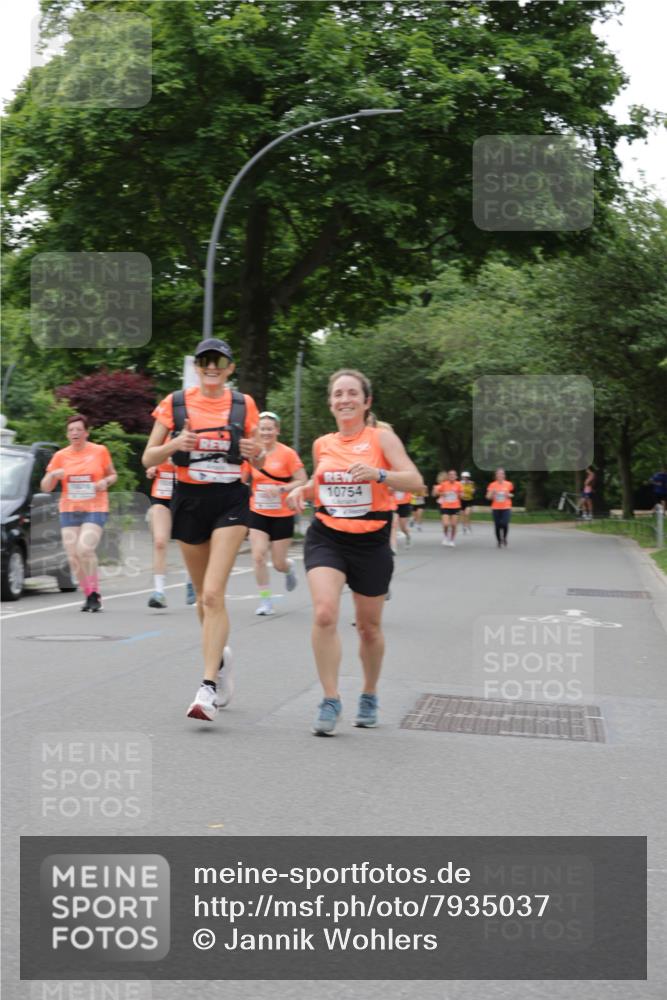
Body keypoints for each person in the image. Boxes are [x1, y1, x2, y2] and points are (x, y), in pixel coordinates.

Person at [287, 369, 423, 736]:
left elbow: (416, 482)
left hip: (372, 541)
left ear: (366, 402)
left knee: (369, 628)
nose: (344, 399)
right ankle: (330, 699)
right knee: (325, 613)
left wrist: (379, 474)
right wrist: (303, 490)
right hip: (327, 536)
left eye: (351, 393)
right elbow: (323, 483)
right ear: (330, 403)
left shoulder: (382, 438)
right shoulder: (322, 444)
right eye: (337, 394)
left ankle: (369, 692)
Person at [142, 338, 262, 722]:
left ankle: (206, 688)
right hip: (189, 501)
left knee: (212, 593)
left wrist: (253, 450)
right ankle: (221, 661)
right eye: (206, 361)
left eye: (220, 361)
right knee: (202, 601)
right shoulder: (175, 403)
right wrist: (176, 442)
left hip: (230, 500)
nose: (212, 367)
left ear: (229, 368)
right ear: (197, 367)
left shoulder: (243, 405)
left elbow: (259, 449)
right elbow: (148, 456)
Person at [40, 414, 117, 612]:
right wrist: (53, 475)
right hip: (69, 509)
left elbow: (113, 474)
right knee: (73, 555)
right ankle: (89, 593)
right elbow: (46, 488)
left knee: (84, 549)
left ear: (86, 432)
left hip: (95, 506)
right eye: (71, 430)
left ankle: (94, 593)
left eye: (78, 430)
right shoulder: (60, 456)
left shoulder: (99, 451)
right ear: (67, 434)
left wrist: (104, 482)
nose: (75, 433)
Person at [247, 410, 307, 616]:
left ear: (277, 431)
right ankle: (266, 602)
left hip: (282, 514)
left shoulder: (287, 454)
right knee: (258, 556)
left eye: (269, 429)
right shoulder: (252, 454)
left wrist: (282, 489)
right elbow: (241, 478)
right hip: (258, 512)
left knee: (278, 563)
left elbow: (302, 479)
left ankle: (288, 568)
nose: (265, 432)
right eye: (262, 429)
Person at [486, 468, 514, 547]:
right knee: (497, 525)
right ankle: (499, 541)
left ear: (504, 475)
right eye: (498, 474)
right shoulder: (492, 485)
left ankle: (504, 538)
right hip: (496, 508)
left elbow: (512, 494)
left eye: (502, 473)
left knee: (505, 524)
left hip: (506, 507)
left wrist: (509, 495)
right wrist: (492, 493)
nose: (500, 475)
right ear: (496, 475)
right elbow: (488, 497)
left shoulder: (509, 484)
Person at [433, 470, 461, 546]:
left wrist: (460, 494)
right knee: (445, 524)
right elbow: (436, 493)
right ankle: (445, 537)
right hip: (445, 506)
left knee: (454, 525)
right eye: (450, 475)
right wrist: (443, 493)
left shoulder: (459, 484)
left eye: (453, 475)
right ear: (448, 477)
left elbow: (462, 494)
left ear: (456, 476)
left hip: (455, 506)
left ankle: (452, 540)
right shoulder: (444, 484)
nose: (452, 476)